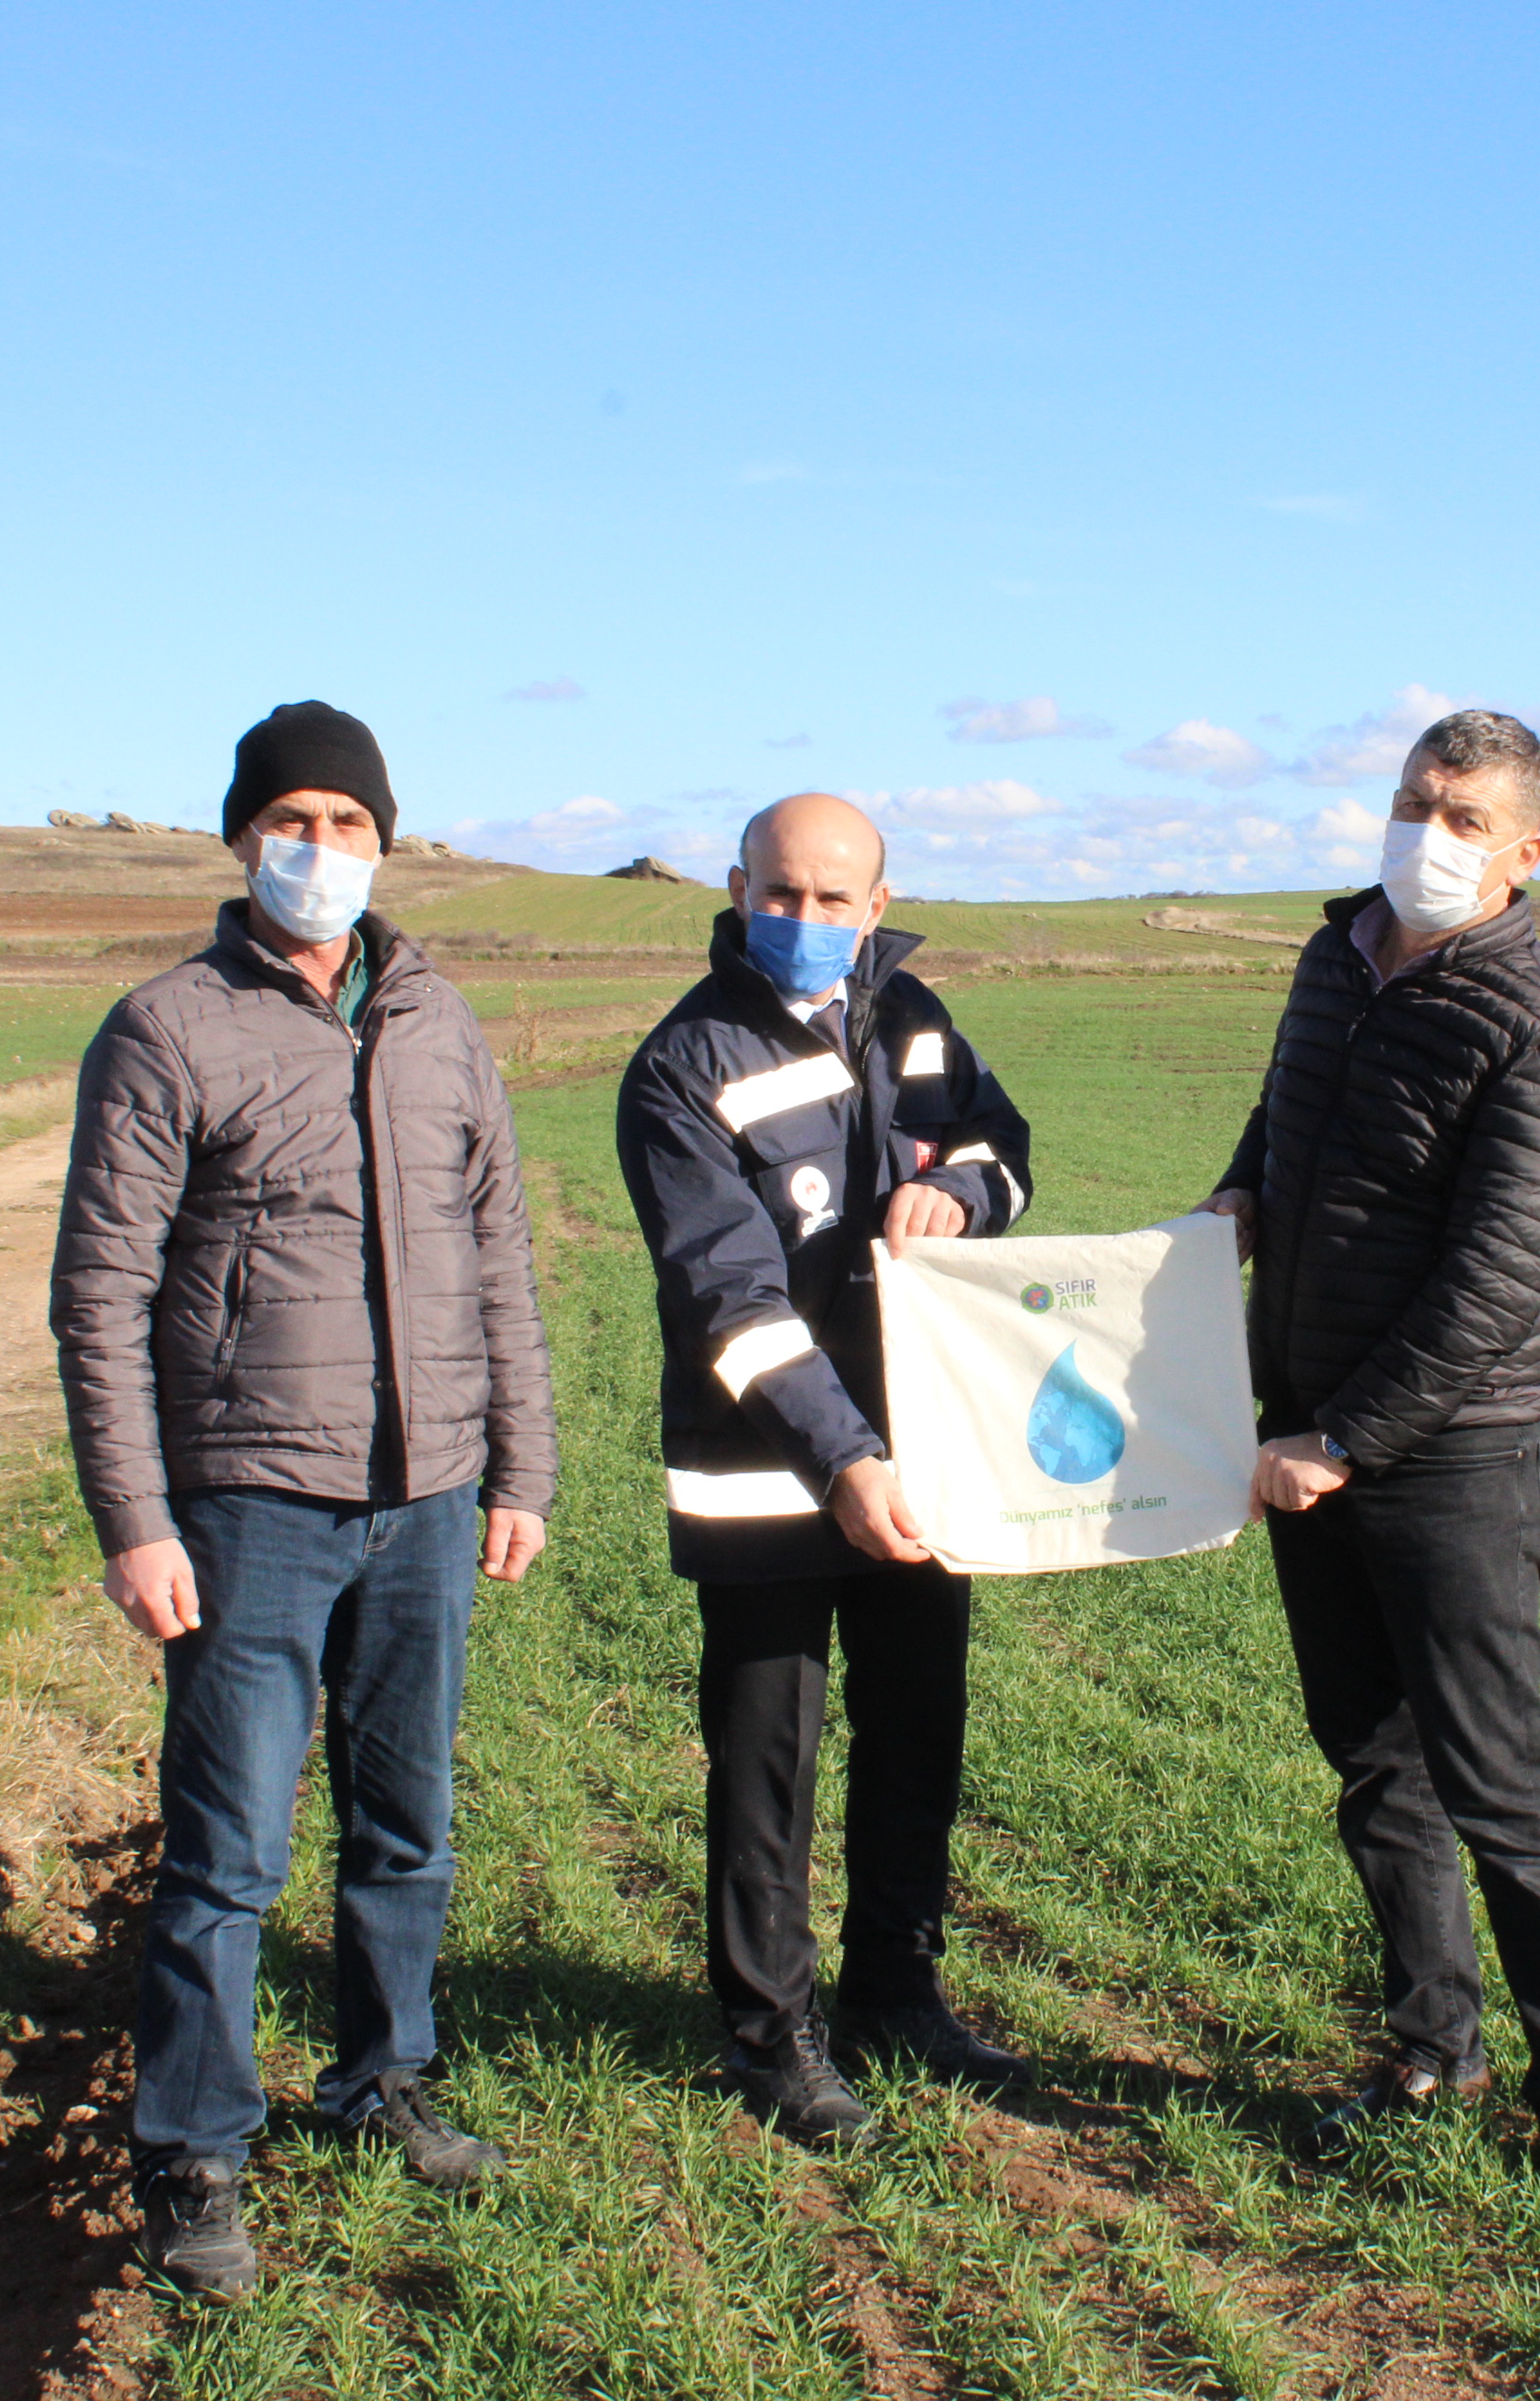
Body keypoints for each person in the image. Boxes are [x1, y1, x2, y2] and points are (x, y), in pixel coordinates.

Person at [52, 701, 557, 2297]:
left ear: (386, 845)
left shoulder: (441, 1023)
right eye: (295, 820)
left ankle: (383, 2077)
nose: (321, 849)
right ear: (242, 837)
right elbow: (99, 1298)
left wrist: (518, 1467)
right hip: (249, 1506)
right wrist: (136, 1519)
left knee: (404, 1823)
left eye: (350, 823)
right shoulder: (168, 1028)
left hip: (427, 1494)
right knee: (227, 1851)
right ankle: (196, 2150)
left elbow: (502, 1265)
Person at [1199, 708, 1540, 2220]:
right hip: (1301, 1429)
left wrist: (1346, 1441)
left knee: (1496, 1782)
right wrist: (1240, 1196)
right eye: (1411, 803)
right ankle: (1429, 2043)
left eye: (1463, 820)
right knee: (1373, 1764)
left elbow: (1495, 1278)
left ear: (1527, 854)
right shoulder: (1336, 958)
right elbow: (1293, 1113)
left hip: (1445, 1456)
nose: (1427, 837)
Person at [615, 792, 1036, 2146]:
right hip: (769, 1480)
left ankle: (896, 1997)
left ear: (875, 900)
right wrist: (845, 1461)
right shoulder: (682, 1067)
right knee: (768, 1763)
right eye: (779, 895)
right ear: (740, 888)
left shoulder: (910, 1016)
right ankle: (768, 2032)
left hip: (929, 1450)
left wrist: (958, 1193)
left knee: (918, 1733)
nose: (804, 921)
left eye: (831, 900)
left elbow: (1004, 1150)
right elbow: (725, 1301)